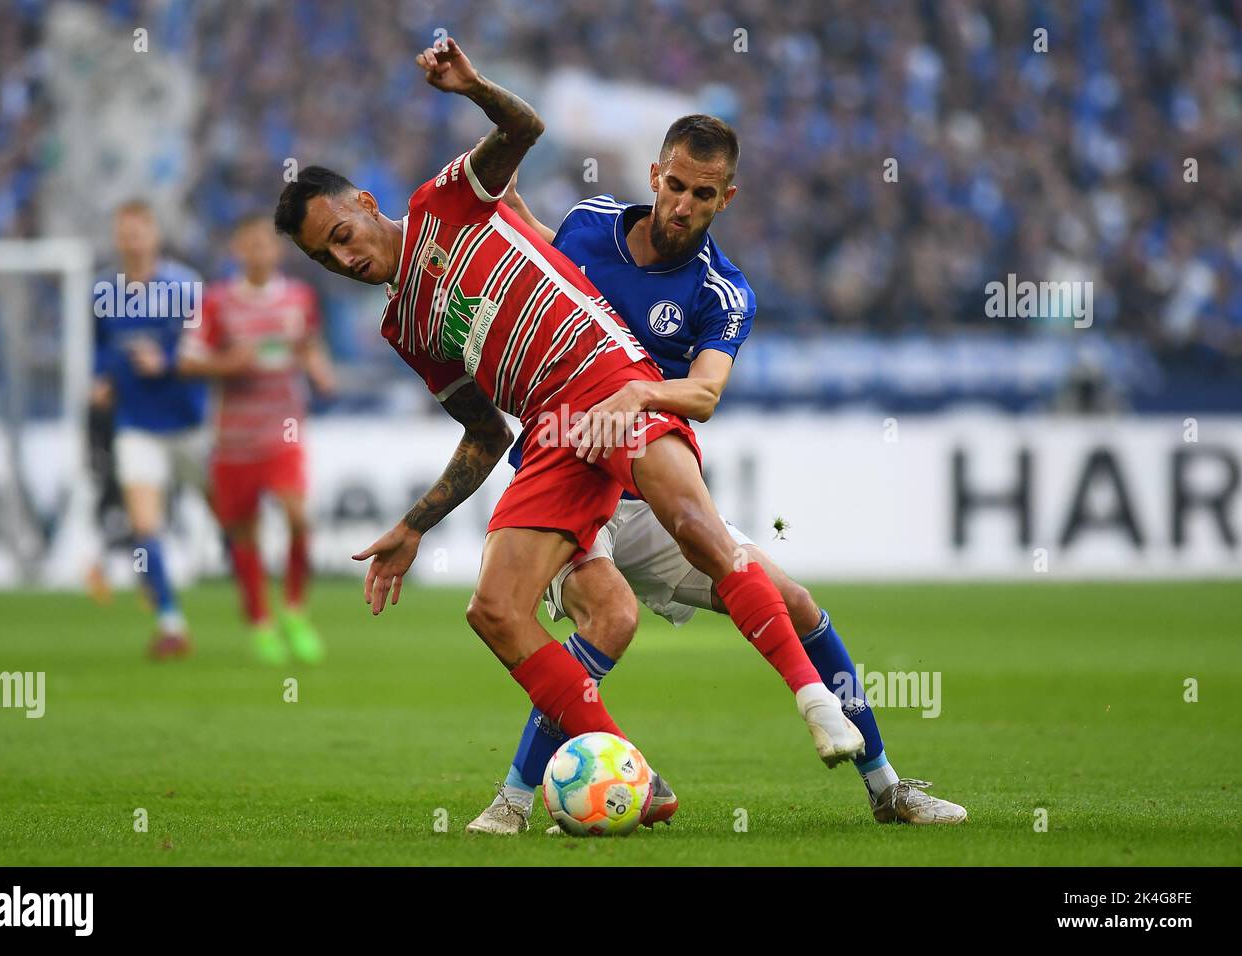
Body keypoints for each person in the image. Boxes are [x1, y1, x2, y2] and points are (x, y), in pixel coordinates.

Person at [274, 37, 863, 827]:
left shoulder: (444, 200)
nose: (341, 258)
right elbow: (484, 436)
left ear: (366, 206)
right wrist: (415, 525)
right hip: (549, 428)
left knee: (695, 525)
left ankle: (816, 699)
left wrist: (472, 87)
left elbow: (525, 131)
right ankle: (633, 776)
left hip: (605, 375)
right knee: (493, 609)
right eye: (322, 257)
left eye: (340, 235)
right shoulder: (403, 329)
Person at [468, 115, 965, 833]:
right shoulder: (589, 225)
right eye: (674, 185)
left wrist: (641, 391)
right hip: (572, 481)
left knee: (793, 603)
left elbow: (704, 393)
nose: (682, 204)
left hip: (655, 498)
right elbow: (546, 256)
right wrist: (508, 203)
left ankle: (887, 786)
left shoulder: (720, 290)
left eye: (702, 194)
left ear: (725, 198)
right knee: (609, 617)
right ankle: (513, 799)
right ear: (654, 177)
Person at [179, 214, 336, 664]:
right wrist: (230, 364)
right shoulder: (217, 303)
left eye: (265, 245)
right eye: (249, 246)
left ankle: (294, 610)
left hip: (282, 432)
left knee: (298, 517)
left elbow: (308, 346)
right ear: (237, 251)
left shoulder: (299, 298)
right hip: (233, 440)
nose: (259, 253)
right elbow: (188, 363)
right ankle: (261, 623)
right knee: (244, 533)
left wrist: (320, 371)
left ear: (278, 250)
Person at [92, 200, 209, 659]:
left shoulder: (185, 287)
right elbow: (101, 348)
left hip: (189, 421)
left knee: (232, 519)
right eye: (125, 232)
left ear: (154, 235)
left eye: (139, 231)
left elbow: (206, 347)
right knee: (145, 525)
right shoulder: (102, 290)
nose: (132, 240)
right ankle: (171, 623)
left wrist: (168, 363)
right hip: (136, 423)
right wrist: (101, 379)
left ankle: (258, 606)